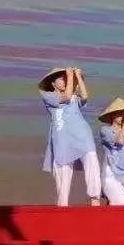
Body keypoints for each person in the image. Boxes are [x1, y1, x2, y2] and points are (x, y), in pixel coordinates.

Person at [39, 67, 101, 206]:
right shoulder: (48, 96)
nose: (66, 81)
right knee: (63, 167)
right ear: (53, 83)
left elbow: (84, 97)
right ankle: (63, 204)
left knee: (91, 159)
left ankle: (95, 198)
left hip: (82, 134)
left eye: (66, 79)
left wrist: (78, 76)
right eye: (62, 79)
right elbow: (65, 98)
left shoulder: (74, 97)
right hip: (62, 137)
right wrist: (69, 73)